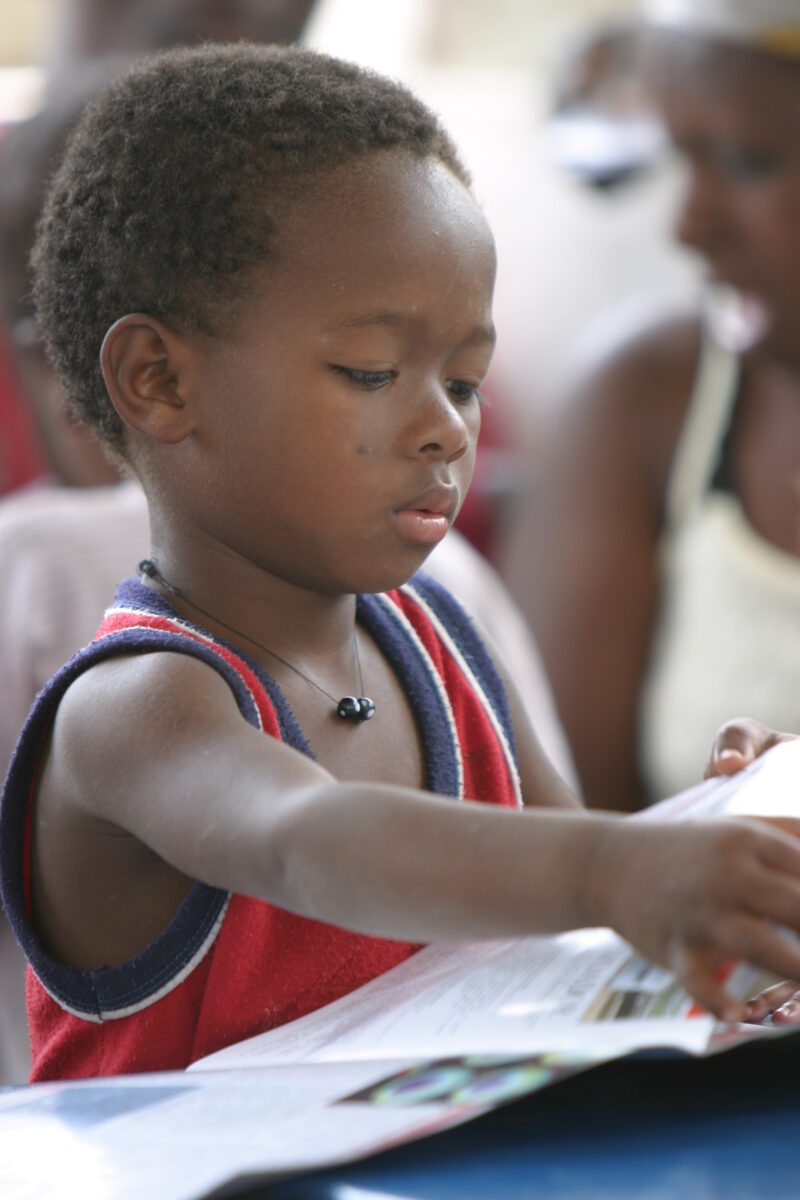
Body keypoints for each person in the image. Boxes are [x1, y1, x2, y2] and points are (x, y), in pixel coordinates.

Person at [4, 44, 800, 1085]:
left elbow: (583, 913)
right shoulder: (136, 710)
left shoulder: (445, 648)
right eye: (372, 372)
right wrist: (615, 864)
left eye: (464, 382)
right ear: (158, 381)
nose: (446, 429)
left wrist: (717, 845)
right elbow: (305, 839)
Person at [504, 0, 800, 812]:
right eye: (681, 158)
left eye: (747, 161)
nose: (689, 227)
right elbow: (559, 840)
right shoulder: (646, 402)